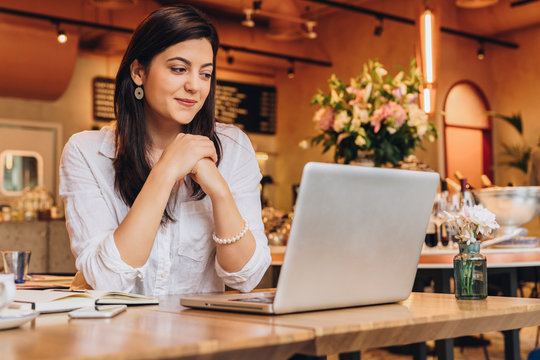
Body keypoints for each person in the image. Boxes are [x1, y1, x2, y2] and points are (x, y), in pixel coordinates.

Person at [59, 6, 271, 296]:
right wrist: (166, 171)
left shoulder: (233, 147)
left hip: (206, 338)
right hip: (117, 337)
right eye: (179, 69)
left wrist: (220, 193)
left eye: (205, 74)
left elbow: (246, 278)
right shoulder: (87, 153)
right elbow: (106, 280)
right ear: (138, 72)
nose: (194, 86)